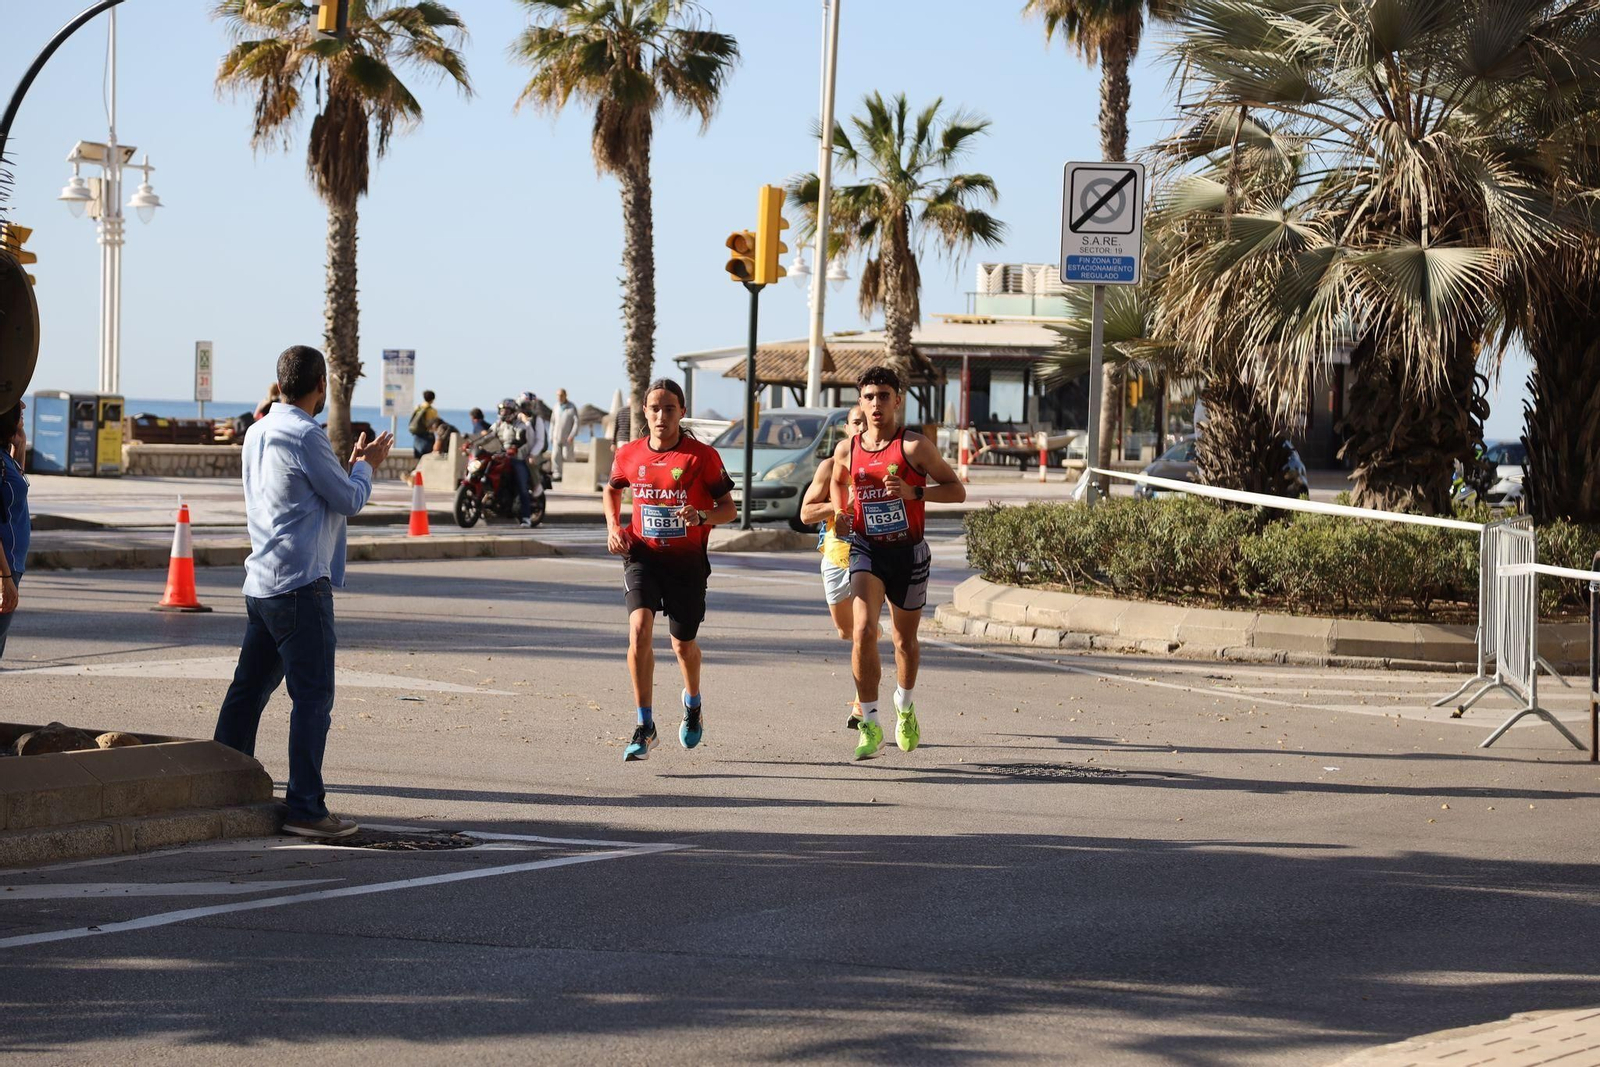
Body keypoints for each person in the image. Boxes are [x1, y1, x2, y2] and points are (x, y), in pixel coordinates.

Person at [214, 345, 395, 839]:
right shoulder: (304, 434)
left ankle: (220, 785)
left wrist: (350, 465)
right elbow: (350, 499)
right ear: (322, 386)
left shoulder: (258, 432)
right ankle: (306, 808)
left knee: (248, 691)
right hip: (300, 586)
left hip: (262, 581)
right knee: (312, 698)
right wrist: (368, 465)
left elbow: (307, 491)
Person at [830, 365, 966, 761]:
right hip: (866, 549)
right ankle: (870, 723)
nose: (876, 404)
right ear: (860, 402)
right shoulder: (848, 448)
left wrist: (913, 490)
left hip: (907, 553)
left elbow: (956, 490)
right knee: (863, 631)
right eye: (869, 397)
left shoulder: (914, 447)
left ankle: (904, 707)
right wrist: (842, 511)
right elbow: (838, 479)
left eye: (883, 396)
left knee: (904, 641)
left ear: (897, 401)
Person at [605, 378, 735, 762]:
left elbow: (729, 509)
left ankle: (692, 702)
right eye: (655, 408)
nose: (662, 416)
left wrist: (701, 515)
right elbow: (613, 488)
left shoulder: (701, 457)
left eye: (670, 409)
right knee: (639, 630)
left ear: (682, 411)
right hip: (642, 554)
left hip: (686, 562)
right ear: (644, 412)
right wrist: (614, 527)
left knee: (682, 644)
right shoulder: (629, 454)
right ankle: (645, 725)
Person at [801, 405, 868, 643]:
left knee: (863, 629)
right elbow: (806, 514)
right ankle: (872, 635)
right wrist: (840, 504)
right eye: (858, 422)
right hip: (837, 555)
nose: (863, 427)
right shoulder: (830, 467)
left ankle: (870, 641)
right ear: (846, 428)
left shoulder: (884, 463)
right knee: (846, 631)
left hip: (873, 554)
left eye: (868, 421)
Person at [0, 401, 29, 661]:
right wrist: (5, 578)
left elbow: (15, 493)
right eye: (18, 414)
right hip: (4, 567)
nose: (23, 416)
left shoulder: (4, 457)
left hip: (12, 564)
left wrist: (19, 448)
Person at [489, 398, 532, 523]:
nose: (504, 412)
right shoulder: (498, 424)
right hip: (501, 456)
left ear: (513, 411)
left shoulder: (519, 424)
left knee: (522, 487)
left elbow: (521, 438)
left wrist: (514, 447)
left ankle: (526, 517)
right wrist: (471, 444)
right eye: (502, 410)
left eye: (506, 410)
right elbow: (488, 436)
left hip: (516, 458)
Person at [552, 388, 579, 482]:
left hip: (568, 437)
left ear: (565, 395)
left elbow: (576, 422)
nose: (559, 397)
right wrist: (551, 435)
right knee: (555, 455)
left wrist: (572, 434)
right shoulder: (555, 407)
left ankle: (571, 473)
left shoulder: (572, 407)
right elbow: (552, 422)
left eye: (561, 395)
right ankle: (557, 474)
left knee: (567, 455)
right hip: (557, 436)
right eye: (558, 395)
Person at [409, 390, 439, 458]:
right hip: (427, 435)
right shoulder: (432, 411)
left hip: (417, 434)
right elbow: (434, 424)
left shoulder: (418, 408)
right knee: (427, 456)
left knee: (418, 456)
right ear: (433, 399)